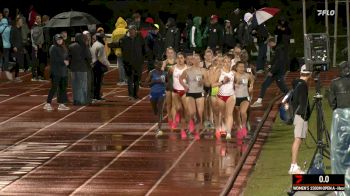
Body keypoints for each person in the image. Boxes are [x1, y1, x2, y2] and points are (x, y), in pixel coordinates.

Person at [328, 62, 350, 195]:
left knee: (338, 152)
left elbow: (333, 103)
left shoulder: (334, 83)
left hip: (341, 117)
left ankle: (341, 190)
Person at [109, 25, 146, 100]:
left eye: (133, 30)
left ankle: (135, 94)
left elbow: (144, 48)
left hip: (138, 63)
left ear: (135, 30)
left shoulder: (140, 38)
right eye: (130, 30)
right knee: (130, 79)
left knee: (136, 80)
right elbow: (118, 44)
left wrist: (142, 59)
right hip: (128, 63)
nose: (131, 31)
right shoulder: (124, 39)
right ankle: (131, 95)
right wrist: (109, 45)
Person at [286, 64, 311, 174]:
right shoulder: (303, 85)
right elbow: (303, 102)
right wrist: (305, 117)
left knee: (298, 139)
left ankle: (294, 165)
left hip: (297, 115)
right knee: (298, 139)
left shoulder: (297, 83)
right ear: (309, 74)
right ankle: (293, 165)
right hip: (300, 115)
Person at [251, 37, 289, 107]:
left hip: (278, 73)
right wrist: (269, 66)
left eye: (268, 44)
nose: (268, 45)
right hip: (275, 72)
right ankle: (259, 101)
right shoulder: (277, 49)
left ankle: (292, 99)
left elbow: (279, 62)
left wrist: (272, 71)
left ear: (271, 42)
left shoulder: (279, 49)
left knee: (283, 88)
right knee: (264, 84)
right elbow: (274, 60)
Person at [179, 53, 208, 140]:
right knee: (192, 113)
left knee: (200, 113)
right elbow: (180, 78)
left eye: (198, 59)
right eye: (194, 59)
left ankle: (197, 132)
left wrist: (202, 81)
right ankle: (190, 125)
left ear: (200, 60)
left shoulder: (203, 70)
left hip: (200, 93)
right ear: (191, 61)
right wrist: (185, 86)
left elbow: (207, 82)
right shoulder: (187, 70)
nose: (196, 60)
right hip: (190, 93)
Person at [212, 55, 236, 140]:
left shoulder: (233, 73)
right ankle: (223, 125)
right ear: (222, 63)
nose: (227, 64)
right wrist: (222, 82)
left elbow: (237, 83)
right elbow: (213, 84)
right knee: (223, 114)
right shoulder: (219, 71)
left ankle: (228, 133)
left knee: (229, 114)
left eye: (228, 62)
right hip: (221, 96)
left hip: (231, 96)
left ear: (231, 63)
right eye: (225, 62)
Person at [44, 34, 70, 111]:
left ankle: (61, 104)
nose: (59, 40)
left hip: (63, 71)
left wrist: (67, 60)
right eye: (58, 39)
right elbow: (54, 59)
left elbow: (66, 56)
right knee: (54, 88)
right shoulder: (53, 48)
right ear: (55, 40)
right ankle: (47, 103)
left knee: (63, 88)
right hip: (56, 71)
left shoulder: (62, 47)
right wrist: (64, 62)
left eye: (61, 39)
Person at [69, 33, 92, 105]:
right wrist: (89, 64)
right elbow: (88, 57)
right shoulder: (84, 46)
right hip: (82, 68)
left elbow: (68, 57)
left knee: (75, 86)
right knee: (83, 86)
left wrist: (69, 66)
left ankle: (76, 100)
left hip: (73, 69)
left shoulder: (71, 46)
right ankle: (83, 101)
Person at [146, 60, 166, 137]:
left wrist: (164, 83)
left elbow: (169, 84)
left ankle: (159, 128)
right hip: (153, 94)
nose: (159, 65)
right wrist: (154, 81)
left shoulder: (165, 73)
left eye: (161, 64)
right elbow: (145, 84)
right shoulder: (151, 73)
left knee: (160, 110)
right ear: (155, 64)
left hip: (162, 93)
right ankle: (156, 112)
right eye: (158, 64)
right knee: (155, 110)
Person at [234, 61, 254, 139]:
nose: (242, 68)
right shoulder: (234, 75)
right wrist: (236, 83)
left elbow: (252, 81)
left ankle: (244, 126)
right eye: (240, 67)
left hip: (245, 97)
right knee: (237, 114)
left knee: (243, 112)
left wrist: (251, 86)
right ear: (236, 67)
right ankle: (239, 127)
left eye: (243, 67)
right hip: (235, 97)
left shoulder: (247, 75)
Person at [170, 52, 187, 138]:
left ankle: (183, 129)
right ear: (176, 59)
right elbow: (168, 77)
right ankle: (174, 121)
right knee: (178, 108)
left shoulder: (188, 68)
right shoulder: (173, 68)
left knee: (184, 110)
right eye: (178, 58)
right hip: (175, 91)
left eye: (181, 58)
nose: (180, 59)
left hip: (184, 91)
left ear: (184, 59)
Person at [91, 33, 110, 101]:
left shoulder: (94, 43)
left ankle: (94, 96)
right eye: (104, 38)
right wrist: (108, 64)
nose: (105, 39)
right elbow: (101, 58)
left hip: (93, 64)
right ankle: (97, 96)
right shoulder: (101, 46)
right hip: (98, 64)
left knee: (95, 81)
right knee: (99, 81)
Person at [162, 47, 177, 129]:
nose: (170, 54)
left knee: (175, 104)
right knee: (169, 104)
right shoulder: (164, 63)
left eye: (172, 53)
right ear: (166, 54)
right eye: (169, 53)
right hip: (168, 85)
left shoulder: (176, 62)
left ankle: (174, 120)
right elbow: (161, 73)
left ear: (174, 54)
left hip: (175, 85)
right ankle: (170, 118)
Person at [111, 17, 128, 86]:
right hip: (127, 51)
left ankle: (122, 80)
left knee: (120, 66)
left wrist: (115, 50)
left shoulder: (114, 32)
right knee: (127, 66)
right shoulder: (126, 30)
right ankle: (127, 80)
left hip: (118, 51)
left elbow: (113, 43)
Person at [10, 16, 24, 82]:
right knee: (17, 63)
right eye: (21, 21)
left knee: (18, 63)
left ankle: (11, 70)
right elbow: (11, 39)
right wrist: (14, 46)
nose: (22, 23)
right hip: (15, 48)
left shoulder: (20, 29)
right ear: (17, 22)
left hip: (20, 48)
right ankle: (16, 77)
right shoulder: (13, 29)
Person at [31, 15, 45, 81]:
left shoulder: (41, 26)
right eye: (37, 18)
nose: (39, 19)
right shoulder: (35, 27)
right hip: (37, 46)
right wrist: (38, 44)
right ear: (35, 20)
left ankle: (40, 75)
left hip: (41, 46)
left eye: (40, 18)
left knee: (41, 61)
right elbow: (34, 37)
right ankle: (36, 75)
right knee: (37, 62)